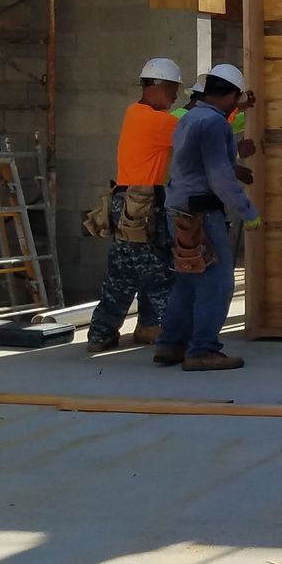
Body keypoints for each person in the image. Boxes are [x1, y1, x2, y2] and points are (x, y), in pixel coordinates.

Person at [155, 64, 258, 372]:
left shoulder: (189, 119)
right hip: (202, 213)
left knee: (187, 280)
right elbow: (220, 176)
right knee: (217, 283)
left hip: (178, 210)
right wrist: (248, 211)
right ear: (230, 95)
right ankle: (203, 350)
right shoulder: (214, 124)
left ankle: (171, 344)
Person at [85, 57, 183, 353]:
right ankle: (166, 333)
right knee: (159, 272)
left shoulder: (137, 114)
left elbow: (182, 118)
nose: (176, 95)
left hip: (127, 202)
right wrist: (231, 114)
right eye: (173, 89)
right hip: (142, 205)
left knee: (123, 271)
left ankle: (107, 333)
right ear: (158, 85)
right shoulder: (156, 121)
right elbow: (196, 130)